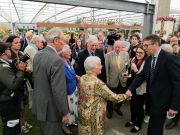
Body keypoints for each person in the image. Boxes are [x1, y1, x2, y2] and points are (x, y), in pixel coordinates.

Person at [126, 34, 180, 135]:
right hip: (151, 98)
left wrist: (175, 106)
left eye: (146, 45)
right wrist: (130, 89)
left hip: (163, 101)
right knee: (153, 124)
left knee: (156, 125)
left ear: (155, 44)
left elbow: (178, 83)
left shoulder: (169, 58)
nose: (144, 48)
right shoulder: (149, 59)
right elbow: (141, 76)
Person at [32, 28, 70, 135]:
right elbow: (59, 90)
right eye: (63, 39)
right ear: (56, 40)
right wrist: (65, 111)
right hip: (51, 110)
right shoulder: (56, 60)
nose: (64, 42)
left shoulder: (38, 54)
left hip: (40, 104)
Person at [78, 56, 128, 135]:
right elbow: (114, 98)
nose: (102, 66)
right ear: (94, 68)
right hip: (93, 116)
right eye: (100, 64)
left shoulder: (82, 78)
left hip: (82, 112)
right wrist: (127, 95)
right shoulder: (97, 83)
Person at [0, 42, 27, 135]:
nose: (9, 50)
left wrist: (17, 69)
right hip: (7, 101)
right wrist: (20, 71)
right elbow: (13, 85)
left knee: (13, 125)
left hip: (9, 99)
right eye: (8, 49)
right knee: (11, 125)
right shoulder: (3, 66)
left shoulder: (5, 64)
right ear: (4, 53)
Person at [125, 45, 147, 133]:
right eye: (137, 52)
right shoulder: (134, 59)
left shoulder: (146, 62)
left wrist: (136, 70)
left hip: (140, 89)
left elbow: (144, 77)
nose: (138, 54)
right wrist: (127, 73)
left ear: (145, 53)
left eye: (141, 52)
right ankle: (133, 120)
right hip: (131, 87)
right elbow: (130, 70)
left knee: (139, 107)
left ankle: (138, 124)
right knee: (132, 105)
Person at [105, 40, 130, 118]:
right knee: (110, 97)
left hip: (122, 80)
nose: (117, 48)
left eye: (119, 47)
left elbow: (127, 66)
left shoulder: (126, 54)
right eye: (116, 47)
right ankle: (109, 110)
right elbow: (106, 69)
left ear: (122, 47)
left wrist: (126, 72)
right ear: (114, 47)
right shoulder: (108, 55)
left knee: (121, 95)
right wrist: (107, 81)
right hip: (112, 80)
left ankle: (117, 107)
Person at [59, 45, 79, 135]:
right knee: (67, 110)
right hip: (67, 92)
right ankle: (64, 128)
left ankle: (71, 122)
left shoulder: (67, 61)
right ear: (63, 53)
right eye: (69, 51)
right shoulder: (60, 64)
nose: (71, 52)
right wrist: (74, 77)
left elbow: (72, 73)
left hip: (73, 90)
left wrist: (76, 77)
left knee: (73, 109)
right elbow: (68, 77)